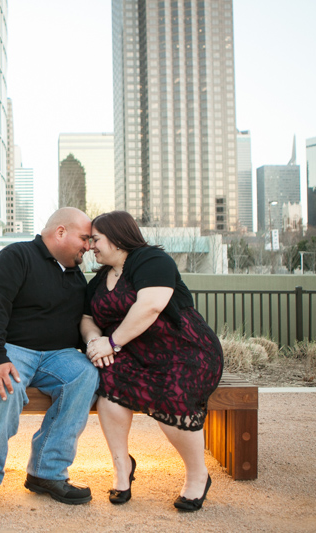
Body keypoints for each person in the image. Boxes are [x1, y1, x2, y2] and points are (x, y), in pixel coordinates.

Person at [0, 207, 100, 517]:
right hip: (4, 348)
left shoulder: (77, 278)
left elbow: (78, 327)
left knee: (84, 376)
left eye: (92, 241)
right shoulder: (16, 257)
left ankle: (46, 473)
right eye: (85, 238)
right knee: (4, 385)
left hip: (56, 356)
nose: (88, 247)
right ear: (60, 232)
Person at [81, 211, 223, 511]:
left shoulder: (151, 261)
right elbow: (87, 318)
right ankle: (122, 469)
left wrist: (111, 342)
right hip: (134, 355)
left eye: (96, 239)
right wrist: (95, 340)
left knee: (172, 393)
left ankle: (198, 476)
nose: (91, 246)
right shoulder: (98, 280)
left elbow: (150, 306)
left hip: (185, 351)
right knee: (109, 386)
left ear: (118, 238)